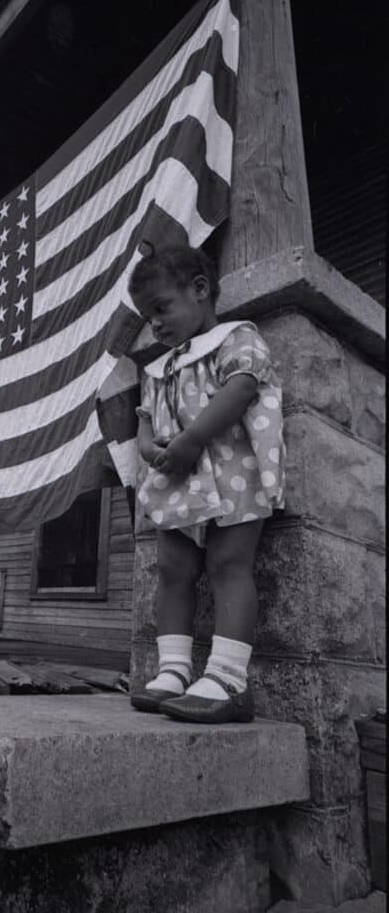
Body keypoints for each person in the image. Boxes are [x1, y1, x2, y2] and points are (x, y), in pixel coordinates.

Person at [128, 242, 285, 723]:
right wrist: (149, 446)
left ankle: (228, 679)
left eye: (161, 308)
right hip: (177, 484)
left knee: (228, 564)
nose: (154, 323)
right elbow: (145, 422)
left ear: (199, 290)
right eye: (146, 315)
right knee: (173, 571)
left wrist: (194, 437)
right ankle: (174, 670)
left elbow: (242, 387)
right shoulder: (159, 368)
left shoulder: (236, 338)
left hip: (231, 472)